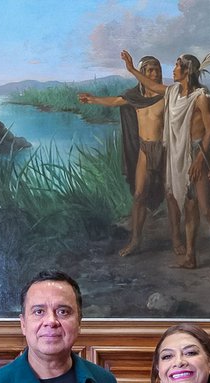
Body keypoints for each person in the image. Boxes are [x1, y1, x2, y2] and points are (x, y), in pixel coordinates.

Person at [124, 52, 210, 272]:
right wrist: (132, 70)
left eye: (176, 66)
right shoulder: (173, 92)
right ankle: (191, 257)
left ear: (186, 71)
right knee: (189, 208)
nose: (171, 70)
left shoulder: (201, 96)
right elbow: (152, 87)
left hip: (196, 154)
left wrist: (200, 159)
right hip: (178, 155)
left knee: (207, 210)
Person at [79, 54, 173, 256]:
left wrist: (131, 69)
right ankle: (136, 240)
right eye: (150, 70)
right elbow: (115, 101)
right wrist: (93, 99)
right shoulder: (135, 97)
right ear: (143, 73)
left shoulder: (168, 94)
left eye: (157, 69)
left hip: (165, 149)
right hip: (144, 150)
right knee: (139, 195)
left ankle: (179, 241)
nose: (155, 73)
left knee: (171, 195)